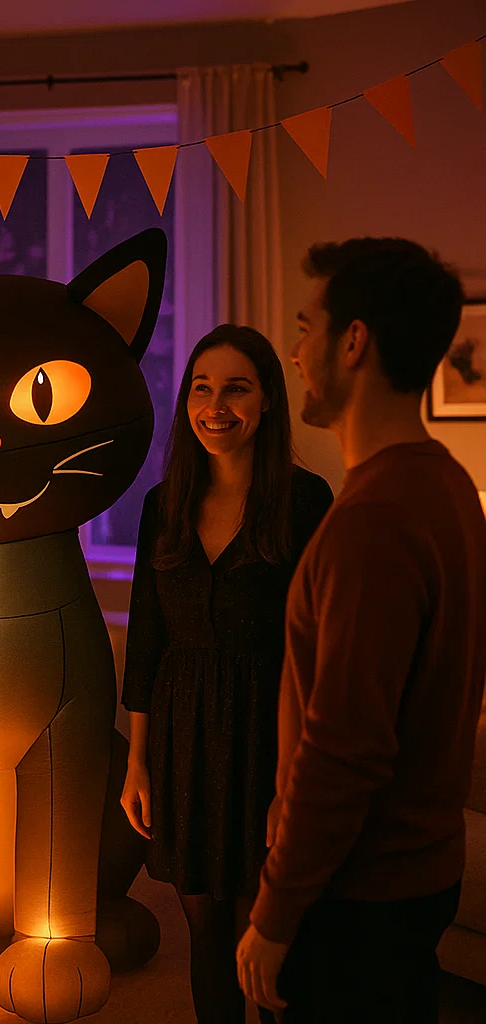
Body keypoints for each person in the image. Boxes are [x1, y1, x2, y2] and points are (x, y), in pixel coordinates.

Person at [237, 238, 486, 1022]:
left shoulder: (372, 523)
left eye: (306, 327)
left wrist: (275, 915)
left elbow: (344, 748)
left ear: (353, 342)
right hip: (421, 873)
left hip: (357, 891)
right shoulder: (447, 484)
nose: (297, 351)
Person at [121, 324, 333, 1024]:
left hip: (268, 735)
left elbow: (319, 649)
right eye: (202, 389)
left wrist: (293, 780)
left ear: (267, 399)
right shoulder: (164, 505)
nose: (216, 405)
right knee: (204, 930)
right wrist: (138, 763)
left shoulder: (306, 503)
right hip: (183, 736)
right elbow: (146, 641)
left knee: (263, 931)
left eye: (236, 388)